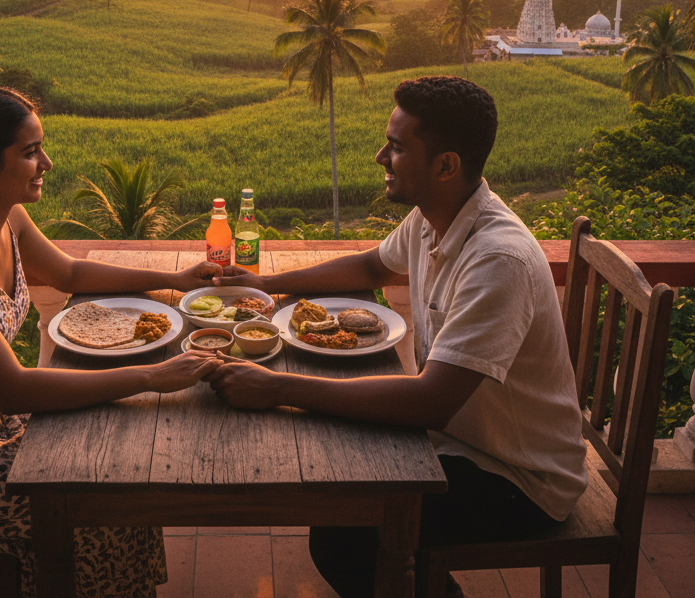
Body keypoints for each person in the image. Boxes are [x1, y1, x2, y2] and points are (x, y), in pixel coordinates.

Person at [208, 75, 587, 598]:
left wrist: (279, 390)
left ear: (446, 165)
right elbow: (371, 265)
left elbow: (431, 401)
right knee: (341, 476)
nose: (380, 157)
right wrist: (267, 285)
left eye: (397, 147)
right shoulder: (435, 217)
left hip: (519, 477)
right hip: (459, 442)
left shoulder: (498, 260)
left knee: (347, 534)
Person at [0, 86, 222, 598]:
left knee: (118, 467)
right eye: (29, 153)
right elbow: (15, 389)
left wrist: (177, 278)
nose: (45, 162)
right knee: (98, 498)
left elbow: (69, 272)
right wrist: (151, 377)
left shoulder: (8, 219)